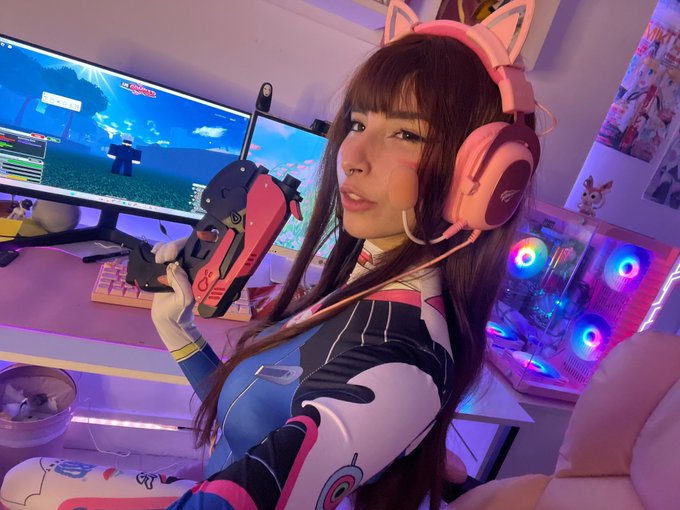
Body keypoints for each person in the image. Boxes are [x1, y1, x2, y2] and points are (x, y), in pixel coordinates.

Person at [0, 1, 545, 509]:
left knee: (24, 482)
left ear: (482, 179)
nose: (353, 154)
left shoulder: (400, 365)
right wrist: (180, 333)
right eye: (358, 124)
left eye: (405, 133)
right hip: (213, 473)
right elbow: (253, 416)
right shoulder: (367, 285)